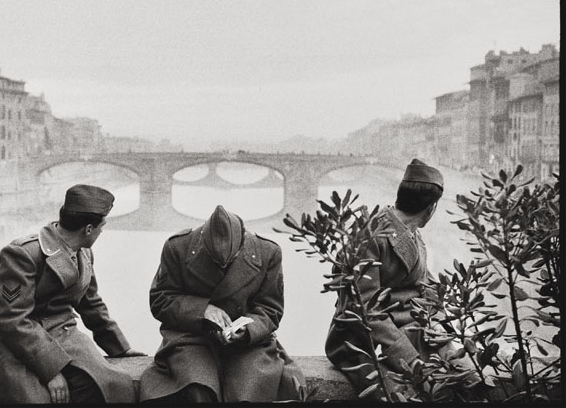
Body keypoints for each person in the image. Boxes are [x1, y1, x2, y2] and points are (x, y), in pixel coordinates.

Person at [0, 184, 145, 404]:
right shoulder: (22, 254)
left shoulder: (84, 252)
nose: (101, 232)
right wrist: (52, 370)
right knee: (35, 400)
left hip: (60, 331)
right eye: (101, 226)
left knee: (113, 386)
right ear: (88, 229)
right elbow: (12, 319)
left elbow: (90, 303)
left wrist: (120, 348)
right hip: (10, 338)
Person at [139, 205, 307, 403]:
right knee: (198, 391)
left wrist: (247, 329)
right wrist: (202, 310)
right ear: (202, 243)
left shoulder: (268, 252)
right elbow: (160, 299)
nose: (222, 266)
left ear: (242, 246)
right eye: (214, 261)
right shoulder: (177, 247)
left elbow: (271, 309)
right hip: (193, 338)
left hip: (248, 345)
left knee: (246, 394)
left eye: (230, 261)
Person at [325, 159, 452, 398]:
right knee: (402, 396)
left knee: (460, 377)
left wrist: (439, 322)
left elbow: (427, 285)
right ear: (431, 208)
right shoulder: (370, 235)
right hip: (361, 341)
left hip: (406, 328)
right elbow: (366, 310)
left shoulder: (411, 233)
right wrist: (411, 359)